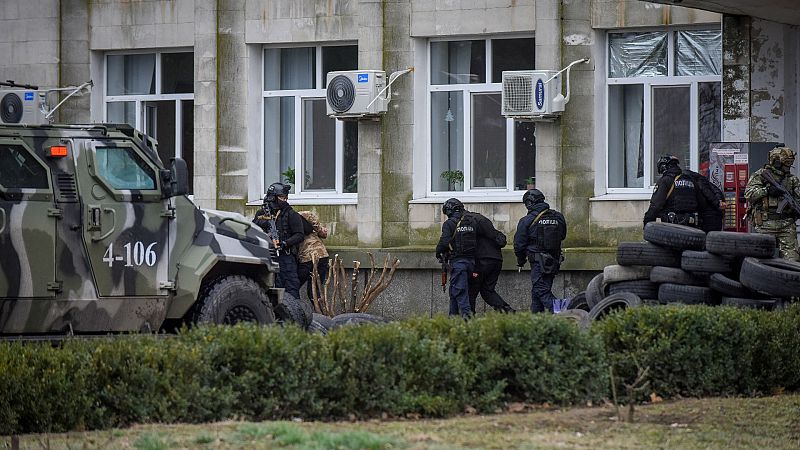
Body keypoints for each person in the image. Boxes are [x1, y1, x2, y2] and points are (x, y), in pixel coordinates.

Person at [513, 189, 568, 313]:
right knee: (539, 291)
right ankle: (536, 322)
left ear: (529, 203)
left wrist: (521, 260)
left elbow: (519, 244)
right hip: (554, 260)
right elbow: (563, 235)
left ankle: (565, 311)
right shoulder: (558, 216)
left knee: (540, 289)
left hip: (538, 261)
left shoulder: (527, 220)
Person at [744, 146, 800, 261]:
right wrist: (767, 190)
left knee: (792, 260)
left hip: (786, 225)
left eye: (790, 162)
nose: (788, 166)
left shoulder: (792, 179)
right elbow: (749, 194)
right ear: (777, 161)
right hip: (765, 224)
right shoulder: (760, 175)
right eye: (786, 162)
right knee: (761, 260)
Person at [252, 182, 305, 300]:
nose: (285, 200)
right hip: (266, 256)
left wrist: (285, 243)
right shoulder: (262, 213)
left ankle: (292, 316)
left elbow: (299, 235)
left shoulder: (290, 214)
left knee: (291, 286)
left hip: (285, 257)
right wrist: (265, 223)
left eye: (286, 198)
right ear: (273, 198)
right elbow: (253, 228)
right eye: (282, 197)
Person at [435, 198, 479, 319]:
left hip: (458, 263)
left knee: (460, 292)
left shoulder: (449, 224)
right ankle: (452, 318)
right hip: (471, 263)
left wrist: (438, 252)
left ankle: (468, 320)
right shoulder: (471, 222)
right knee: (455, 291)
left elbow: (444, 242)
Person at [467, 211, 515, 313]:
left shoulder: (472, 231)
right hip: (496, 262)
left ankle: (468, 320)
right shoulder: (494, 233)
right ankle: (507, 311)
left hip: (481, 262)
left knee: (471, 291)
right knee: (487, 290)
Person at [643, 155, 700, 228]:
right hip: (692, 225)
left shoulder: (665, 180)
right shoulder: (691, 180)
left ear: (663, 167)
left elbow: (656, 206)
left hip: (672, 225)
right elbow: (700, 202)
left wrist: (647, 224)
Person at [296, 210, 330, 303]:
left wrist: (319, 229)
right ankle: (321, 313)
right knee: (314, 291)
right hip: (321, 255)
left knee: (293, 287)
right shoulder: (303, 217)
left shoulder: (294, 218)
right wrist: (319, 229)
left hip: (307, 258)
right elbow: (323, 233)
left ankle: (294, 310)